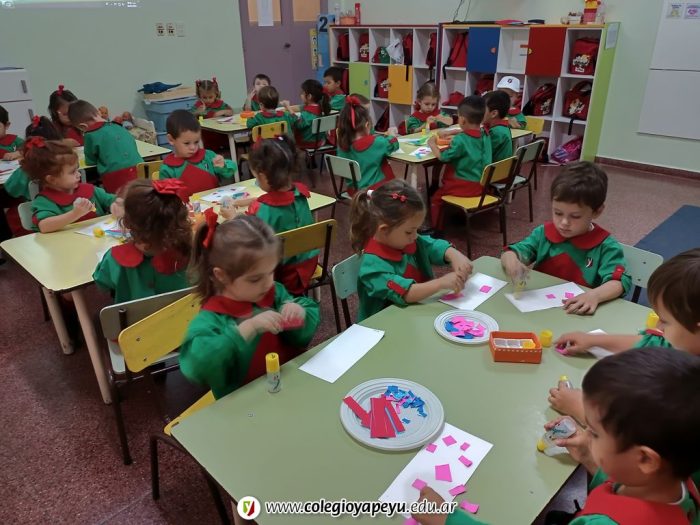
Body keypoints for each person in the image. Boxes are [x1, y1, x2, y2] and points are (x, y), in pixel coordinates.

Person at [180, 213, 320, 399]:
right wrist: (245, 330)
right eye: (255, 279)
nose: (268, 283)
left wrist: (298, 311)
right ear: (221, 276)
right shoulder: (212, 318)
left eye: (271, 272)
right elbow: (198, 367)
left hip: (287, 388)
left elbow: (303, 332)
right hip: (244, 404)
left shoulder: (273, 292)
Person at [501, 162, 631, 315]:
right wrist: (511, 260)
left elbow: (619, 282)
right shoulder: (543, 233)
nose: (564, 222)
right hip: (539, 311)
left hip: (577, 314)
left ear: (597, 212)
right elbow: (513, 252)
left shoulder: (606, 246)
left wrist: (594, 295)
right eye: (558, 213)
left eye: (575, 216)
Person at [351, 180, 472, 320]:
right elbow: (406, 293)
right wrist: (440, 283)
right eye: (409, 231)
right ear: (384, 230)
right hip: (383, 324)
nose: (415, 236)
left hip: (414, 312)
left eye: (417, 229)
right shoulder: (372, 268)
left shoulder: (402, 239)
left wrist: (454, 255)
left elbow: (431, 245)